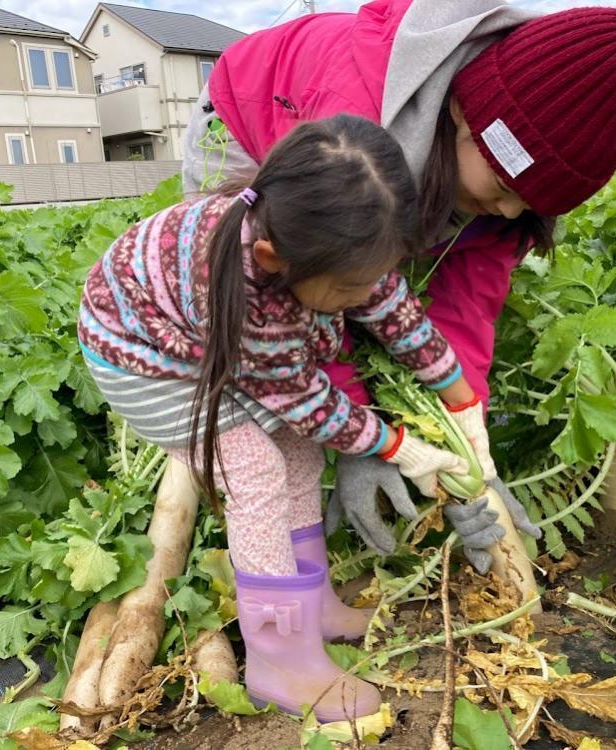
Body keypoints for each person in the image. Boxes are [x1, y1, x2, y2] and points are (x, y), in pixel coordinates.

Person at [183, 0, 616, 571]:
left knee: (379, 285)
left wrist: (470, 447)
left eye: (533, 202)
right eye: (507, 184)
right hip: (251, 118)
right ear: (466, 115)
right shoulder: (357, 121)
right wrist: (358, 439)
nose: (513, 211)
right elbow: (313, 295)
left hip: (398, 167)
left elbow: (465, 306)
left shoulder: (498, 188)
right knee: (260, 311)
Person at [78, 115, 500, 721]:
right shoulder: (248, 294)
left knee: (300, 451)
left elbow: (393, 311)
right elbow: (307, 403)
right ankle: (279, 657)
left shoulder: (339, 236)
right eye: (349, 288)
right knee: (252, 470)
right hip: (139, 358)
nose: (363, 298)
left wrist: (461, 396)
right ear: (277, 260)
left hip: (201, 340)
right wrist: (401, 448)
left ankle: (314, 603)